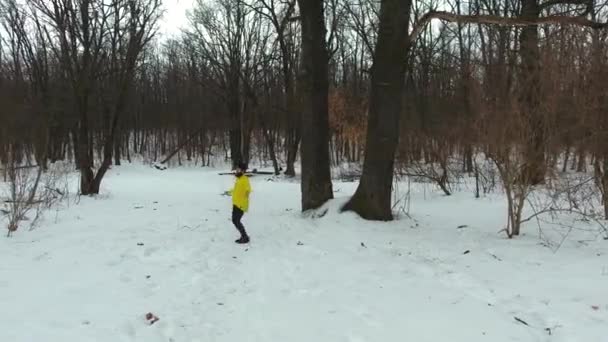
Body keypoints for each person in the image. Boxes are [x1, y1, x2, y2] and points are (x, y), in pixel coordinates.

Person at [227, 162, 251, 244]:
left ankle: (245, 237)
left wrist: (247, 194)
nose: (237, 170)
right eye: (237, 169)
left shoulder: (245, 179)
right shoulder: (239, 179)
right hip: (236, 203)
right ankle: (244, 236)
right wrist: (228, 192)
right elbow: (235, 190)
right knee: (235, 220)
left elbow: (248, 190)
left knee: (236, 220)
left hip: (240, 205)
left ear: (243, 171)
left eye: (238, 169)